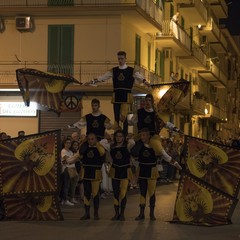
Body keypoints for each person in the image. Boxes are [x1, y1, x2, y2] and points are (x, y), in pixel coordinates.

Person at [86, 51, 151, 135]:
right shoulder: (114, 70)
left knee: (124, 117)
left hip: (126, 96)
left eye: (122, 58)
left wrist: (146, 82)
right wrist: (91, 81)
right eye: (119, 59)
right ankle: (117, 134)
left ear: (125, 59)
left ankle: (125, 134)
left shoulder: (131, 70)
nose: (120, 60)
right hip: (116, 95)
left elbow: (139, 77)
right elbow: (103, 77)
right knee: (116, 118)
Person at [131, 128, 181, 221]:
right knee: (142, 192)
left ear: (149, 135)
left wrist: (176, 164)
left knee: (152, 192)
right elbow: (133, 157)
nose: (143, 137)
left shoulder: (156, 146)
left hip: (152, 171)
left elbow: (166, 156)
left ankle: (151, 214)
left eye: (144, 135)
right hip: (142, 171)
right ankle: (141, 213)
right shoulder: (138, 146)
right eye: (141, 135)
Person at [129, 93, 182, 158]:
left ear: (152, 102)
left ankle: (169, 159)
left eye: (149, 100)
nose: (147, 102)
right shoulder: (139, 112)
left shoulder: (156, 113)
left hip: (153, 136)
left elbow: (166, 123)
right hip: (141, 136)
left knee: (160, 151)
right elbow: (131, 121)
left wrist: (177, 129)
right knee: (131, 145)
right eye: (146, 100)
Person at [108, 130, 134, 221]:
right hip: (115, 170)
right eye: (117, 136)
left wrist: (129, 137)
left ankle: (122, 214)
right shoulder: (111, 146)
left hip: (125, 170)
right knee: (115, 193)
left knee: (123, 193)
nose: (119, 138)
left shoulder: (128, 146)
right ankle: (116, 214)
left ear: (123, 137)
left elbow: (133, 142)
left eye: (121, 136)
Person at [79, 133, 106, 220]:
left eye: (92, 139)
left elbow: (102, 154)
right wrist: (84, 142)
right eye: (89, 139)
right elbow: (80, 153)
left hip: (95, 173)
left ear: (96, 139)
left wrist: (97, 144)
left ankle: (96, 213)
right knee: (87, 193)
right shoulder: (85, 147)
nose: (90, 141)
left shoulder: (100, 148)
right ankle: (87, 213)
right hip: (86, 173)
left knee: (95, 194)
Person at [60, 139, 79, 206]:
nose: (69, 144)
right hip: (66, 169)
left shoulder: (71, 151)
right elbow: (67, 160)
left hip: (72, 168)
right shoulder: (63, 151)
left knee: (71, 185)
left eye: (70, 143)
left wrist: (71, 160)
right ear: (64, 144)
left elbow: (73, 160)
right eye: (67, 143)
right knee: (66, 185)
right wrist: (72, 159)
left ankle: (68, 198)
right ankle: (64, 199)